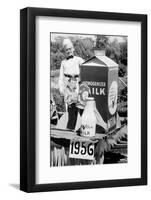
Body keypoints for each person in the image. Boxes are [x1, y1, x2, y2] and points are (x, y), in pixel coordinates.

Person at [58, 39, 84, 130]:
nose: (68, 51)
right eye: (66, 50)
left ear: (73, 49)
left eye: (70, 48)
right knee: (71, 111)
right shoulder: (63, 62)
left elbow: (86, 68)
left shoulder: (79, 60)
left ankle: (85, 130)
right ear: (65, 51)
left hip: (78, 87)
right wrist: (61, 89)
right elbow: (61, 77)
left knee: (82, 110)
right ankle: (70, 130)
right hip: (68, 88)